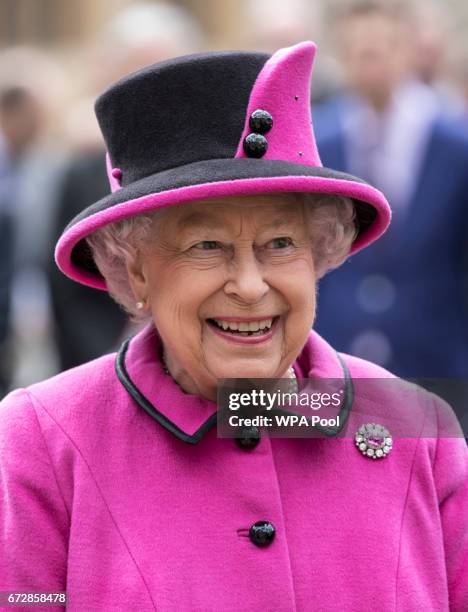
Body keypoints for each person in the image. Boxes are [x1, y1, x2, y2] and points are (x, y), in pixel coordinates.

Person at [0, 41, 466, 611]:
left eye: (280, 243)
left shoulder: (420, 430)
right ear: (135, 270)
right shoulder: (42, 440)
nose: (249, 286)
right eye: (207, 245)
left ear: (319, 255)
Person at [313, 0, 468, 380]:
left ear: (411, 49)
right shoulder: (317, 140)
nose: (372, 63)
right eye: (359, 51)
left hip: (436, 360)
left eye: (383, 48)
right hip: (336, 361)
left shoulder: (456, 144)